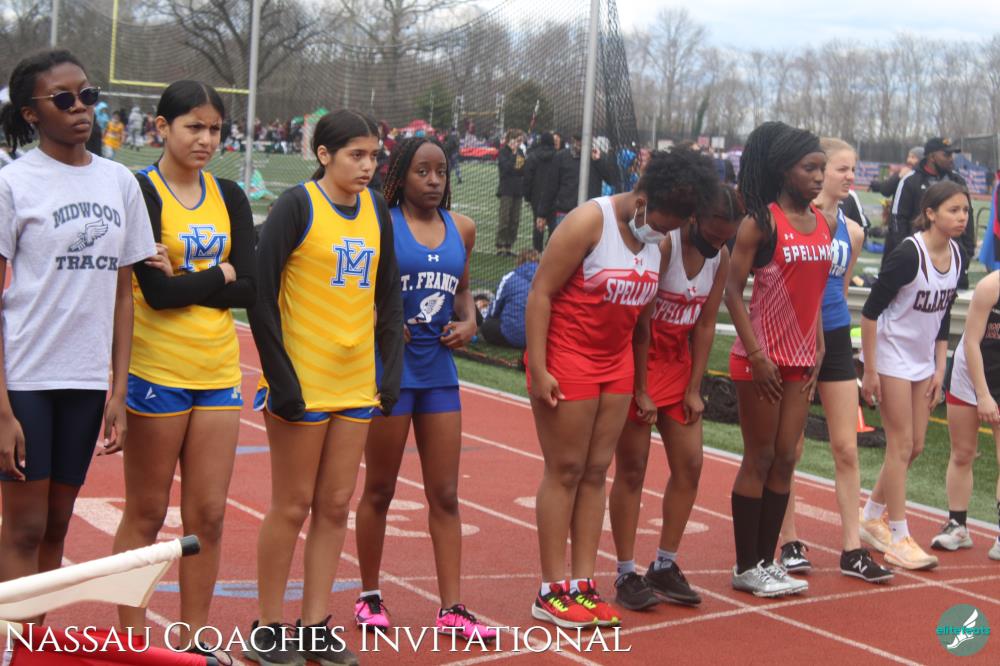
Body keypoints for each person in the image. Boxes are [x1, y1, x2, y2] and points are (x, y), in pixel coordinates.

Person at [527, 149, 719, 628]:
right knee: (566, 470)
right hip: (568, 357)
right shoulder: (589, 222)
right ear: (643, 198)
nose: (665, 231)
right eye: (663, 220)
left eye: (675, 225)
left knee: (596, 472)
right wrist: (539, 368)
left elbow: (642, 322)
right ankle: (551, 590)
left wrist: (638, 382)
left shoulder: (658, 241)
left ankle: (583, 584)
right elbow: (541, 293)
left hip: (616, 366)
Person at [246, 109, 403, 666]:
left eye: (374, 156)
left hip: (356, 384)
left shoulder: (376, 209)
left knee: (335, 506)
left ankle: (314, 626)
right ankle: (267, 626)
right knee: (292, 505)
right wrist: (281, 377)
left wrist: (390, 370)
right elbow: (260, 296)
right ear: (323, 155)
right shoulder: (297, 206)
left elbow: (388, 295)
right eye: (356, 155)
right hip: (302, 383)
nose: (368, 166)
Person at [110, 81, 256, 656]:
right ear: (162, 128)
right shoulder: (142, 191)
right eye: (194, 126)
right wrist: (219, 273)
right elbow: (158, 295)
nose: (206, 139)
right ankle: (132, 642)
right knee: (146, 513)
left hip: (218, 372)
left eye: (215, 128)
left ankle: (195, 644)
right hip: (156, 371)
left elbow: (251, 286)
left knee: (208, 517)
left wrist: (195, 279)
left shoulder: (229, 195)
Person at [0, 49, 155, 591]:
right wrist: (1, 408)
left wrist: (118, 390)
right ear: (31, 113)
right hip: (25, 379)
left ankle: (32, 637)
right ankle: (10, 635)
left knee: (57, 526)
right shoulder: (13, 183)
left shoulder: (120, 182)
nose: (80, 108)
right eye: (63, 99)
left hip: (86, 381)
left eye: (87, 95)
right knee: (23, 528)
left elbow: (123, 296)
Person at [353, 136, 493, 639]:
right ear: (399, 177)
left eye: (441, 172)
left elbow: (463, 292)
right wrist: (383, 322)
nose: (434, 181)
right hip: (390, 374)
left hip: (438, 375)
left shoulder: (462, 228)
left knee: (446, 494)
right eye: (422, 172)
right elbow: (358, 292)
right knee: (380, 488)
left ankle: (452, 607)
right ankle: (369, 595)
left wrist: (470, 322)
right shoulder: (380, 225)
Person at [609, 185, 743, 611]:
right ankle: (625, 572)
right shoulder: (666, 246)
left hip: (678, 366)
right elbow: (640, 322)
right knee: (633, 469)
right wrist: (640, 389)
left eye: (726, 238)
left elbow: (705, 325)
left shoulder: (719, 257)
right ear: (695, 218)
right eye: (713, 235)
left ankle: (664, 565)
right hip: (641, 362)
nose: (717, 244)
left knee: (690, 465)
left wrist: (694, 388)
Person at [775, 138, 893, 584]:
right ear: (819, 171)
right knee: (791, 447)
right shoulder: (788, 220)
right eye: (843, 169)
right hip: (795, 339)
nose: (851, 177)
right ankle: (788, 541)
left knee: (846, 446)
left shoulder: (854, 232)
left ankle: (851, 550)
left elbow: (839, 291)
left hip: (836, 338)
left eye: (853, 170)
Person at [724, 121, 831, 598]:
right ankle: (746, 565)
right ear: (785, 170)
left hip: (802, 361)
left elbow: (817, 290)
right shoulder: (761, 223)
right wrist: (756, 354)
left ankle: (767, 562)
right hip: (760, 361)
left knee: (786, 458)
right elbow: (732, 290)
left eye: (822, 168)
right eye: (810, 168)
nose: (818, 177)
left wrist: (820, 345)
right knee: (761, 456)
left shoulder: (825, 223)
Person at [859, 180, 967, 571]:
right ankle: (899, 537)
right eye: (953, 210)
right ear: (931, 213)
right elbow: (870, 313)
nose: (962, 218)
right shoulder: (908, 255)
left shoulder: (957, 255)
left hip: (923, 361)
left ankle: (871, 515)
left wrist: (940, 367)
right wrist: (870, 369)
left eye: (965, 211)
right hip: (891, 356)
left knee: (916, 445)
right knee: (900, 445)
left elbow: (944, 314)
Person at [935, 269, 1000, 561]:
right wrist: (983, 395)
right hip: (969, 372)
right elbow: (972, 341)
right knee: (962, 452)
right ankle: (957, 526)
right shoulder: (991, 286)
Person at [884, 138, 973, 288]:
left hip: (951, 260)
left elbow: (968, 221)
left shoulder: (958, 181)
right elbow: (897, 219)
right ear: (932, 156)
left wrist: (967, 254)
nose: (951, 159)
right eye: (946, 155)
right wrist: (907, 253)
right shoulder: (910, 181)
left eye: (952, 155)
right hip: (917, 259)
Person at [552, 134, 619, 228]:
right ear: (573, 140)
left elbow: (612, 179)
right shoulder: (562, 157)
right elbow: (552, 185)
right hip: (566, 211)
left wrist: (598, 161)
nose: (580, 145)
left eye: (583, 141)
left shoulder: (596, 157)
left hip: (589, 212)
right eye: (578, 141)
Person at [481, 249, 539, 349]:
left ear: (520, 261)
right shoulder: (546, 279)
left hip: (511, 336)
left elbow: (493, 312)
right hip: (536, 339)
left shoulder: (510, 278)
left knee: (487, 325)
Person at [522, 132, 560, 251]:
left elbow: (527, 178)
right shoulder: (558, 157)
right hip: (554, 196)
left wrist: (527, 196)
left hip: (536, 196)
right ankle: (550, 250)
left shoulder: (533, 156)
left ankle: (537, 251)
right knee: (554, 225)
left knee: (538, 225)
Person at [495, 129, 525, 256]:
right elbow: (505, 169)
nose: (519, 143)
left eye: (521, 140)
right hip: (506, 189)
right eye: (518, 140)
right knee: (505, 219)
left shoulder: (521, 152)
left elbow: (521, 170)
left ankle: (509, 246)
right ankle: (500, 246)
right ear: (511, 140)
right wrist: (513, 155)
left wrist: (518, 157)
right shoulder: (503, 152)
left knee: (515, 220)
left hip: (518, 190)